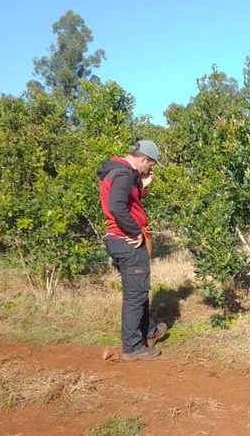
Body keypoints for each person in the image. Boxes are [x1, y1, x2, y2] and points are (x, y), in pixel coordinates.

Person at [98, 140, 168, 362]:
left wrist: (142, 187)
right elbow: (117, 206)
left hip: (118, 239)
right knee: (135, 296)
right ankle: (132, 347)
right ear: (144, 159)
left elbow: (128, 203)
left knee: (138, 289)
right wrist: (134, 231)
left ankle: (149, 331)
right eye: (151, 164)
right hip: (126, 240)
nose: (150, 169)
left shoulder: (117, 172)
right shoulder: (125, 174)